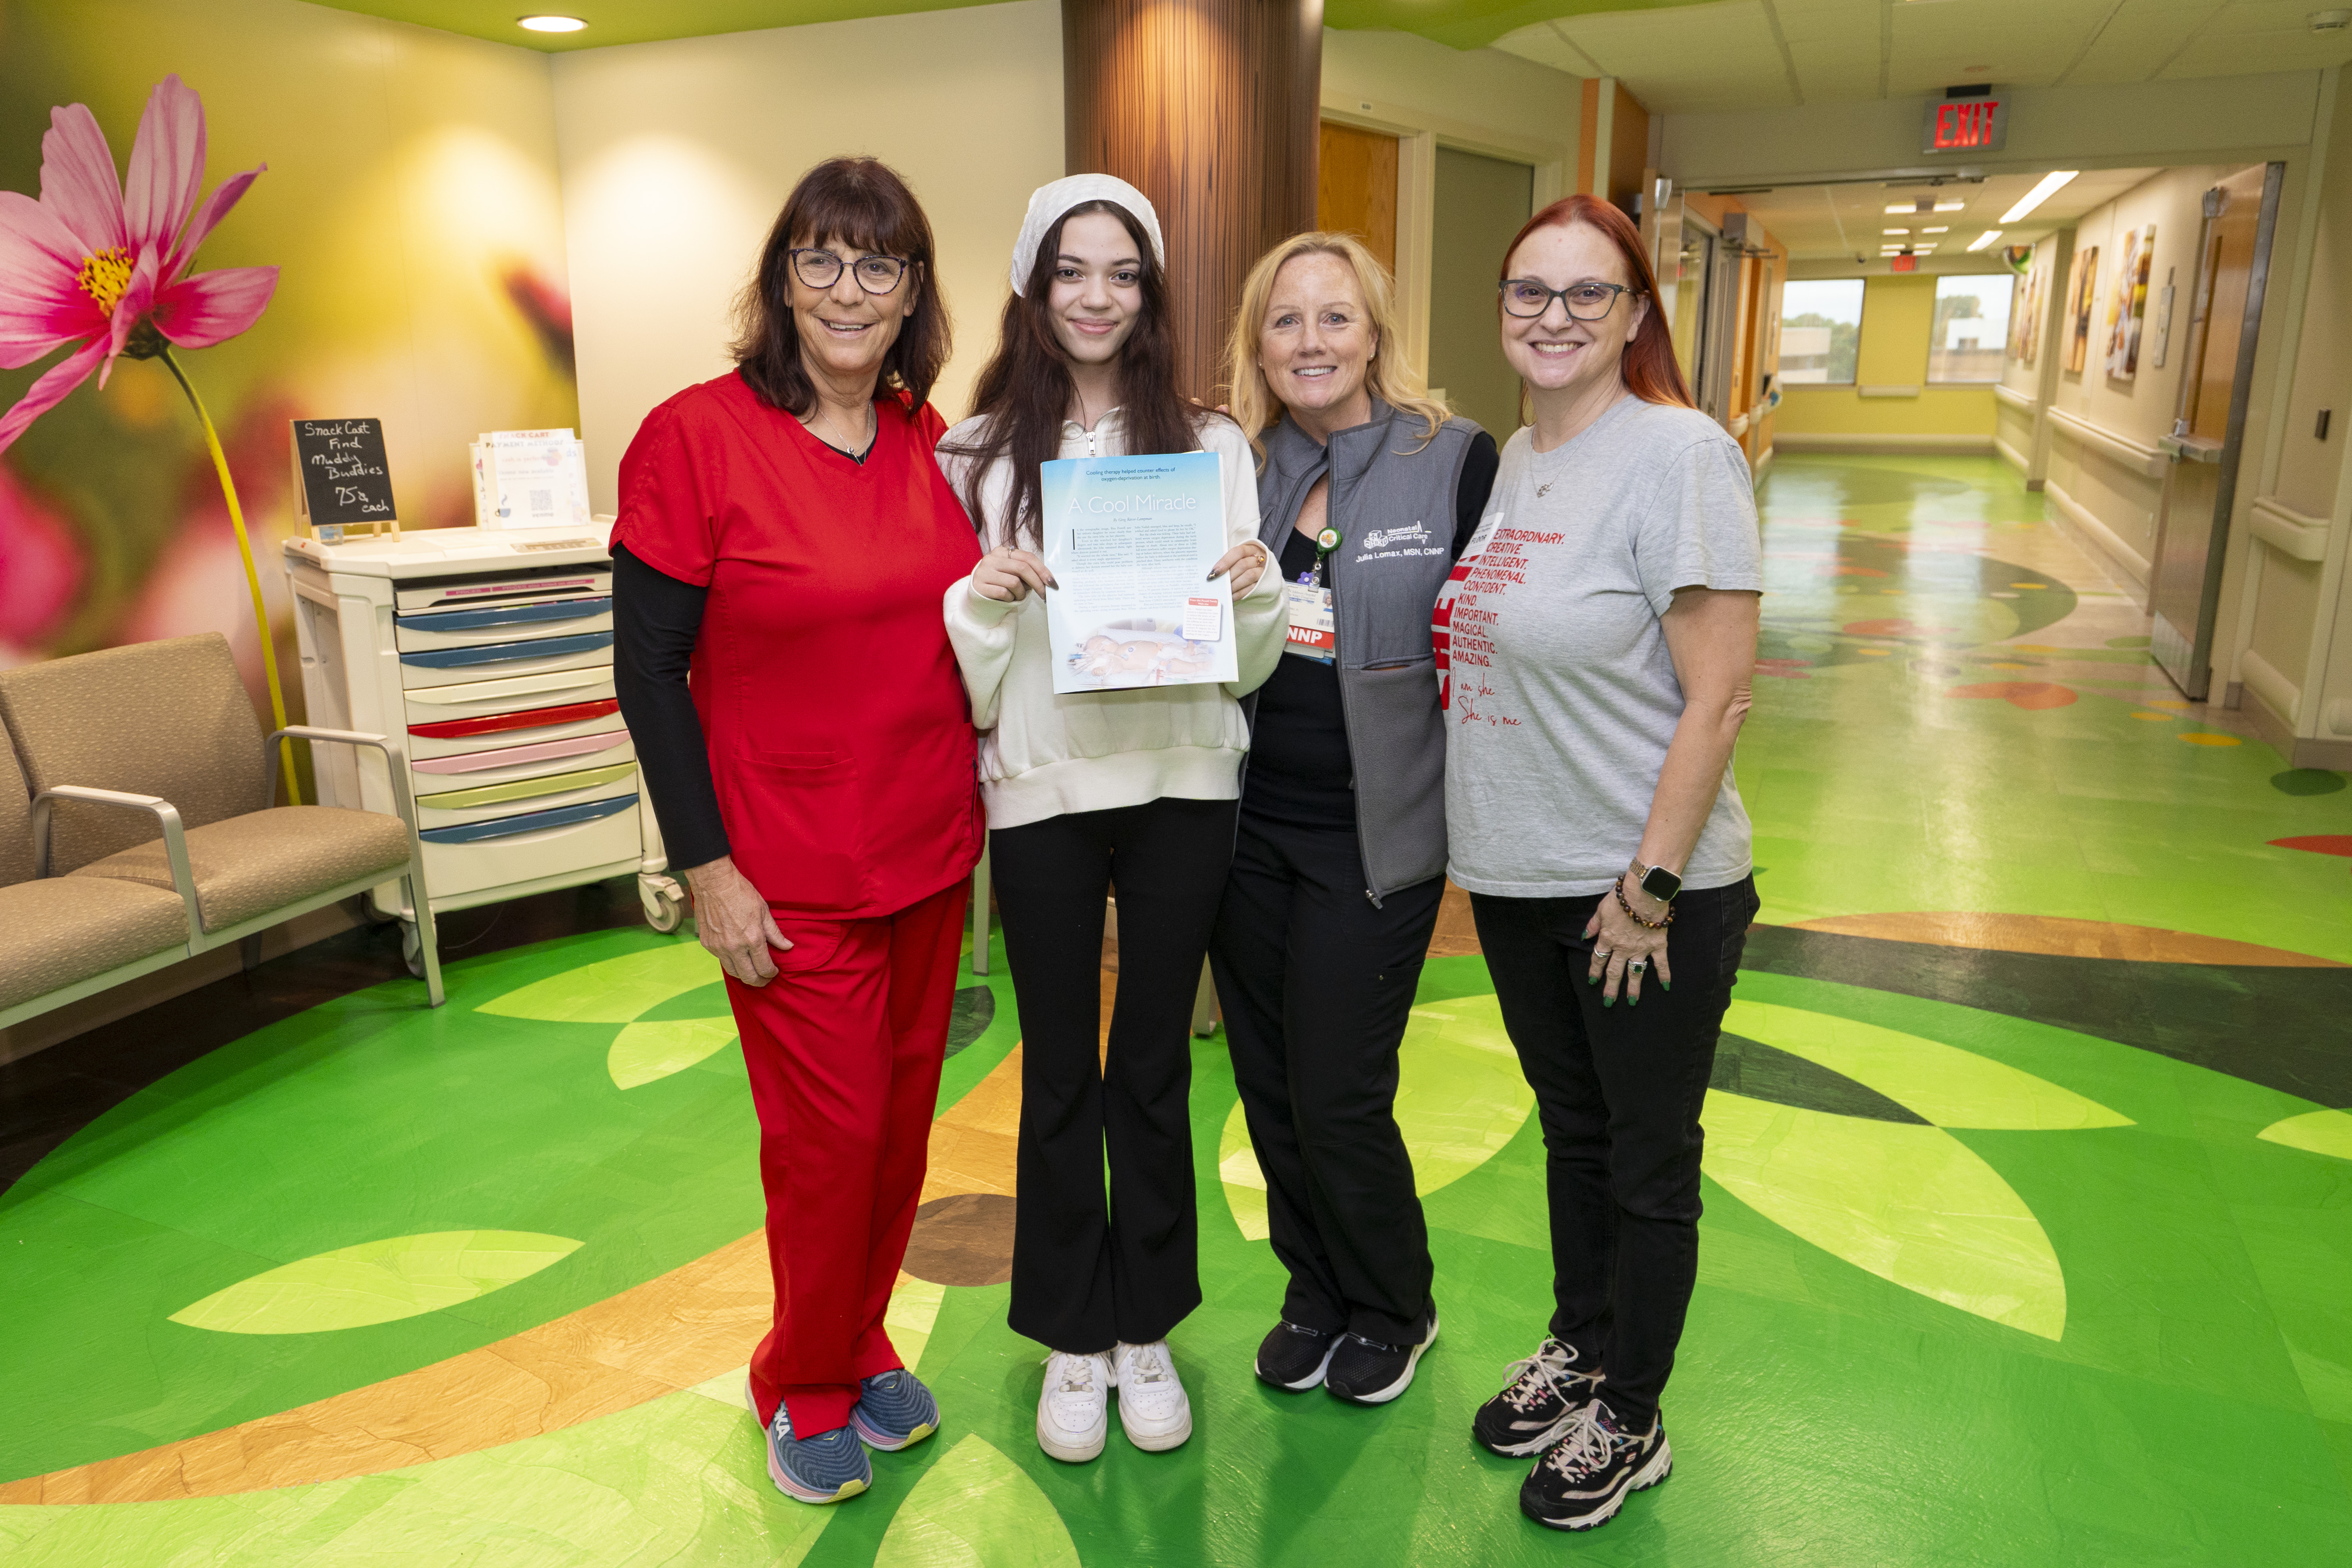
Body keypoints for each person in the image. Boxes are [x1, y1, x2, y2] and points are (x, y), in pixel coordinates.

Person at [610, 156, 981, 1507]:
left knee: (898, 1137)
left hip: (931, 851)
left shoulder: (928, 439)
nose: (846, 290)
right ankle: (804, 1381)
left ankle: (858, 1336)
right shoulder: (695, 437)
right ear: (779, 282)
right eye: (819, 261)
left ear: (912, 295)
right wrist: (706, 869)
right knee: (824, 1149)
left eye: (877, 265)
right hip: (785, 876)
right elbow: (648, 673)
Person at [936, 174, 1284, 1466]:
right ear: (1035, 290)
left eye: (1123, 273)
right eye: (1072, 271)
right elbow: (967, 674)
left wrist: (1252, 588)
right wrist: (986, 594)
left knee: (1153, 1066)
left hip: (1185, 778)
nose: (1097, 296)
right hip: (1044, 791)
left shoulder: (1211, 444)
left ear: (1150, 293)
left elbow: (1244, 666)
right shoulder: (972, 457)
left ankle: (1149, 1330)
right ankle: (1072, 1342)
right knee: (1059, 1073)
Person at [1438, 193, 1762, 1532]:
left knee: (1644, 1157)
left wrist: (1650, 888)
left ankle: (1633, 1411)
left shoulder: (1678, 453)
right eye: (1530, 292)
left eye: (1587, 295)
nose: (1554, 318)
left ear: (1634, 313)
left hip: (1636, 890)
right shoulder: (1518, 454)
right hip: (1517, 880)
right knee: (1574, 1137)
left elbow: (1723, 696)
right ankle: (1581, 1345)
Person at [1206, 232, 1498, 1406]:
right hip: (1245, 827)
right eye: (1286, 322)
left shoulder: (1454, 460)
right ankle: (1314, 1291)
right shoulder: (1240, 465)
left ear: (1376, 330)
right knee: (1270, 1086)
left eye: (1336, 318)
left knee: (1337, 1089)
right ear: (1258, 345)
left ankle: (1393, 1302)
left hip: (1375, 839)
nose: (1312, 342)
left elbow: (1495, 644)